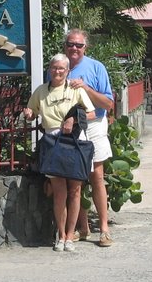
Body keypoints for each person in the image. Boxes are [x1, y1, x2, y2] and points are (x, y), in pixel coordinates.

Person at [23, 54, 95, 252]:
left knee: (75, 190)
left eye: (62, 68)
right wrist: (29, 114)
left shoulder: (75, 89)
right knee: (59, 192)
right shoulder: (41, 91)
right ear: (50, 69)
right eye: (54, 67)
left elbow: (91, 112)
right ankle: (61, 235)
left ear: (68, 71)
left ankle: (71, 236)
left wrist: (73, 119)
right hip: (52, 141)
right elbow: (32, 112)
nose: (57, 71)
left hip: (74, 141)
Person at [63, 28, 116, 247]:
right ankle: (82, 228)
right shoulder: (59, 68)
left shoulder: (96, 68)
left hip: (94, 126)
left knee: (96, 176)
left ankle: (103, 229)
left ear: (86, 47)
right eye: (70, 44)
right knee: (76, 179)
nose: (74, 48)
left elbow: (108, 103)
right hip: (71, 129)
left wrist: (85, 86)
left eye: (79, 45)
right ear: (65, 46)